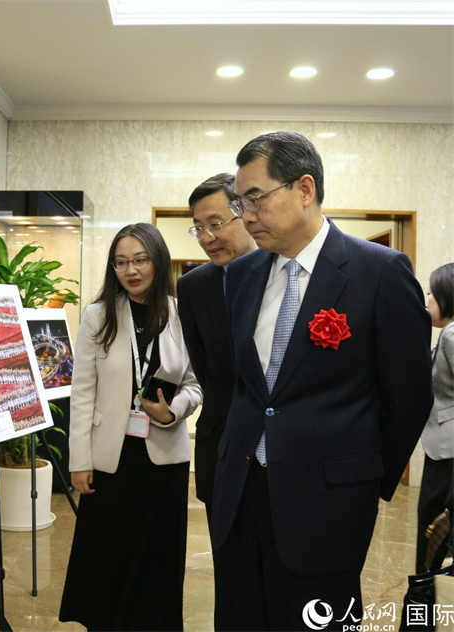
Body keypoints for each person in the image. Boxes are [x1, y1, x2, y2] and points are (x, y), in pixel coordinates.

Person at [212, 131, 433, 630]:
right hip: (239, 496)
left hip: (327, 506)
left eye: (255, 198)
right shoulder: (242, 276)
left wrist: (360, 477)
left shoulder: (379, 271)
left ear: (304, 189)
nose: (243, 215)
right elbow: (244, 385)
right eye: (238, 201)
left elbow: (410, 397)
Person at [59, 222, 202, 631]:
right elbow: (82, 392)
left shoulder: (180, 315)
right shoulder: (98, 316)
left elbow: (195, 384)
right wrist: (79, 460)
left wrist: (171, 411)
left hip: (163, 460)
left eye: (140, 260)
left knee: (158, 562)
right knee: (107, 560)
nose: (131, 270)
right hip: (110, 460)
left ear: (158, 261)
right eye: (121, 262)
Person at [176, 173, 255, 523]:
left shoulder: (284, 273)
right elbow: (204, 368)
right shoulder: (192, 287)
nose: (207, 238)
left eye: (216, 223)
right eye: (198, 228)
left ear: (245, 212)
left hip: (286, 453)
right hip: (219, 442)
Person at [415, 262, 454, 572]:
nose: (425, 297)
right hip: (442, 449)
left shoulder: (452, 336)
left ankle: (427, 607)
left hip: (449, 456)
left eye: (430, 291)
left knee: (435, 534)